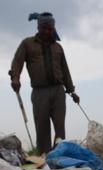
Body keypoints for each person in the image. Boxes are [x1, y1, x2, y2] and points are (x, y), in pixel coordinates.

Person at [9, 12, 80, 154]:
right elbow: (17, 61)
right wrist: (15, 78)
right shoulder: (28, 44)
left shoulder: (58, 47)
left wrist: (71, 91)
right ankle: (44, 157)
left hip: (58, 91)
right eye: (44, 28)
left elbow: (65, 70)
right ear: (38, 27)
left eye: (50, 29)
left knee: (60, 127)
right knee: (42, 127)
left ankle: (59, 156)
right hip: (39, 92)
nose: (47, 31)